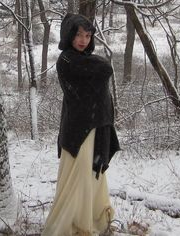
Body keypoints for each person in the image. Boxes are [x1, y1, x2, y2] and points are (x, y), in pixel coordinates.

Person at [42, 13, 120, 236]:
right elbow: (105, 69)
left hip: (93, 127)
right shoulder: (67, 60)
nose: (83, 40)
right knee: (78, 179)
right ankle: (74, 225)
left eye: (87, 35)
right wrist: (101, 63)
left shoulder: (84, 59)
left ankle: (92, 219)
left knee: (91, 175)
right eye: (78, 35)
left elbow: (101, 74)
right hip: (79, 130)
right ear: (68, 35)